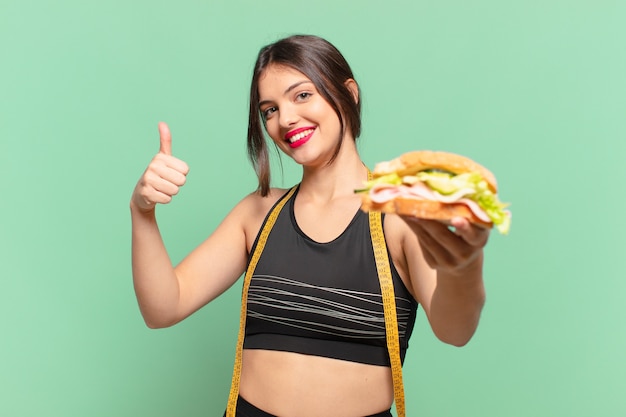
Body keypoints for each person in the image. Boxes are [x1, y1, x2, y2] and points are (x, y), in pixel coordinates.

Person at [130, 34, 489, 417]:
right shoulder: (258, 213)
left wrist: (466, 265)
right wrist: (142, 211)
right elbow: (163, 308)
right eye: (269, 109)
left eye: (301, 95)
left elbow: (455, 332)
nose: (284, 119)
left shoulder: (399, 217)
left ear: (348, 93)